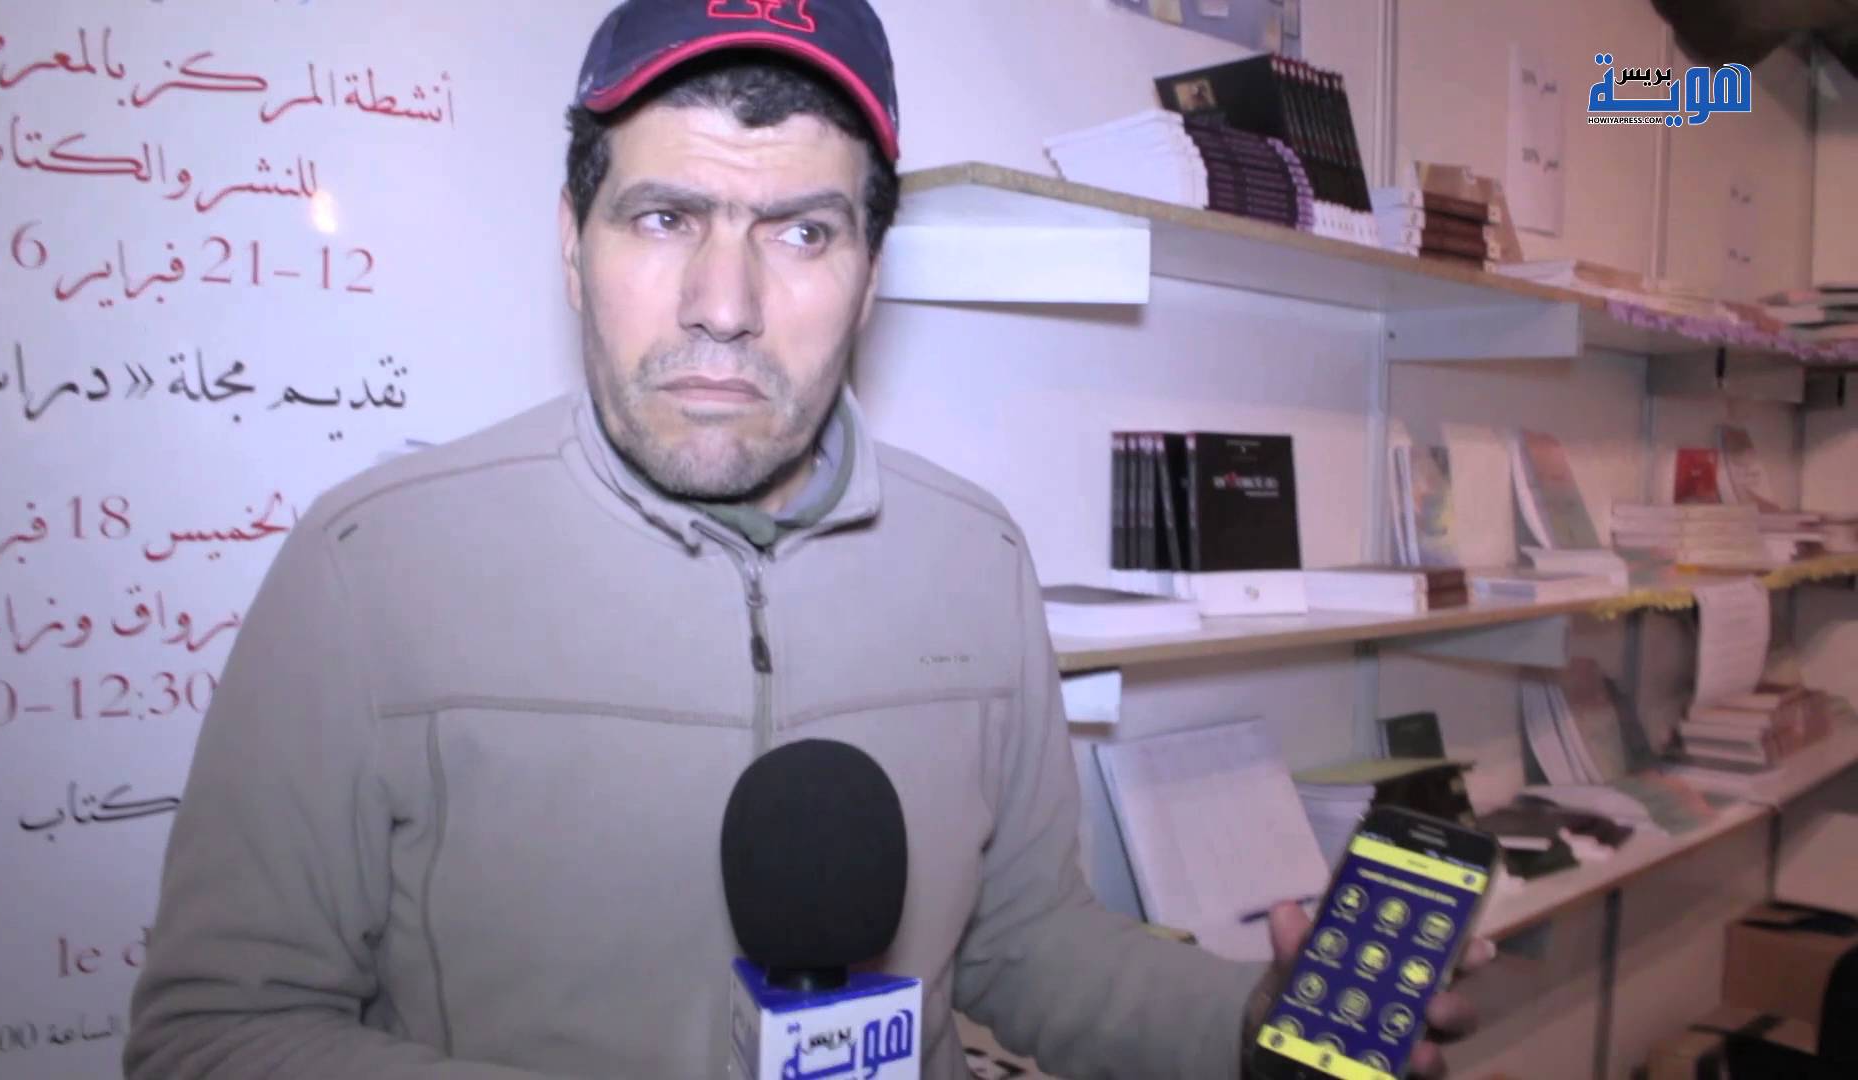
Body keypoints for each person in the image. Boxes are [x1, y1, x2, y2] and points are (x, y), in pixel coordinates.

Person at [123, 1, 1489, 1077]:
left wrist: (1247, 1021)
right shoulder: (371, 569)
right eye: (665, 216)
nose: (724, 303)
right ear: (572, 242)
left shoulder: (976, 559)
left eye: (801, 232)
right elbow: (216, 1035)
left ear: (871, 273)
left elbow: (1023, 944)